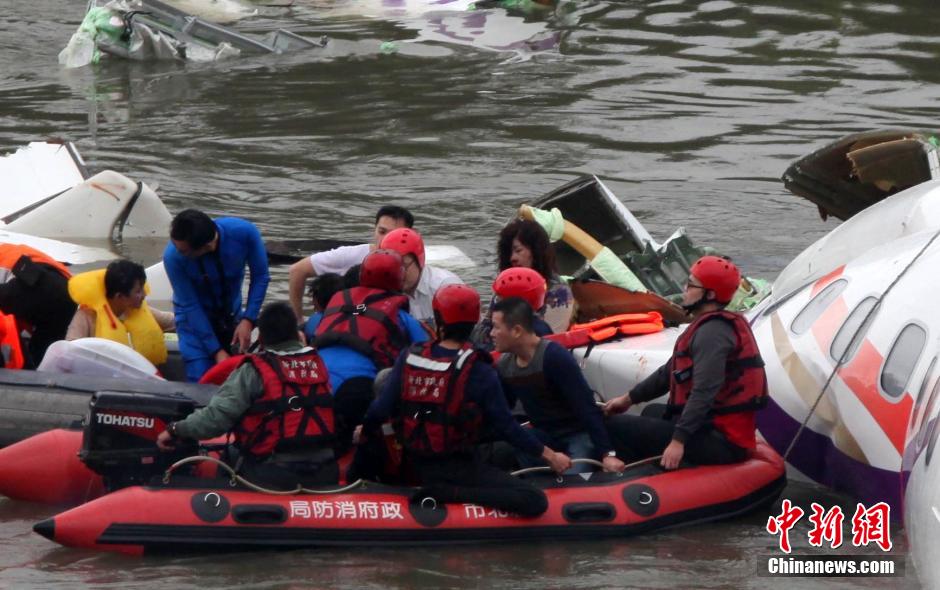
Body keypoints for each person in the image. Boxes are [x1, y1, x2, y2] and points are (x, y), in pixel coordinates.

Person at [355, 284, 571, 516]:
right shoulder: (478, 369)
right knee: (534, 500)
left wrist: (364, 432)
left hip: (410, 459)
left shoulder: (411, 355)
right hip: (454, 466)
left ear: (438, 319)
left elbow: (379, 410)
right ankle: (451, 494)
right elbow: (507, 426)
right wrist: (550, 455)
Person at [604, 256, 766, 470]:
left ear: (709, 294)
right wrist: (627, 399)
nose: (685, 289)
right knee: (651, 411)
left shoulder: (713, 334)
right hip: (710, 425)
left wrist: (678, 441)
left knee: (613, 426)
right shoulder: (708, 326)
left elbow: (704, 391)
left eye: (691, 285)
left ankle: (624, 476)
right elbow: (668, 373)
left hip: (722, 440)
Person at [156, 301, 338, 490]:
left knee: (228, 461)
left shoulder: (254, 370)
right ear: (297, 334)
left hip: (274, 473)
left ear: (262, 338)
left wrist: (175, 429)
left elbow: (214, 421)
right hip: (325, 470)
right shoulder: (318, 365)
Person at [308, 250, 429, 452]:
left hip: (314, 386)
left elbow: (311, 330)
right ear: (398, 278)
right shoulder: (401, 316)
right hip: (358, 394)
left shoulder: (335, 305)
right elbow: (427, 352)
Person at [491, 297, 624, 474]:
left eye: (496, 327)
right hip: (543, 435)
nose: (491, 334)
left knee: (573, 480)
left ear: (516, 331)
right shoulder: (505, 365)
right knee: (518, 444)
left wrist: (608, 453)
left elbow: (586, 407)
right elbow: (504, 410)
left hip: (577, 433)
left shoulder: (554, 357)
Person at [163, 209, 270, 382]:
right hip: (193, 322)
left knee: (238, 381)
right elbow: (190, 305)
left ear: (206, 247)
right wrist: (216, 351)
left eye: (183, 250)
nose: (176, 251)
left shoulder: (244, 233)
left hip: (232, 316)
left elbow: (261, 276)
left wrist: (248, 319)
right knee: (201, 379)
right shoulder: (172, 257)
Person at [288, 205, 414, 322]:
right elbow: (297, 270)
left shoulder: (416, 266)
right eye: (382, 232)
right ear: (374, 230)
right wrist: (298, 323)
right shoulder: (350, 255)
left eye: (393, 234)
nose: (386, 239)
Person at [473, 219, 573, 348]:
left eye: (518, 250)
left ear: (536, 251)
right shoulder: (505, 285)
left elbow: (549, 339)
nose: (512, 258)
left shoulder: (559, 291)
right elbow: (484, 328)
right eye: (509, 253)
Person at [65, 260, 175, 365]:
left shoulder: (139, 311)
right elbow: (69, 351)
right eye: (138, 291)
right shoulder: (86, 317)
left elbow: (175, 321)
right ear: (120, 296)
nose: (145, 294)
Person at [0, 243, 75, 368]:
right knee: (42, 354)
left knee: (11, 335)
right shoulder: (10, 250)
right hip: (68, 293)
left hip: (34, 284)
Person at [379, 227, 462, 327]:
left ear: (419, 261)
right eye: (392, 267)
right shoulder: (382, 290)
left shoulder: (446, 287)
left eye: (404, 266)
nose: (398, 273)